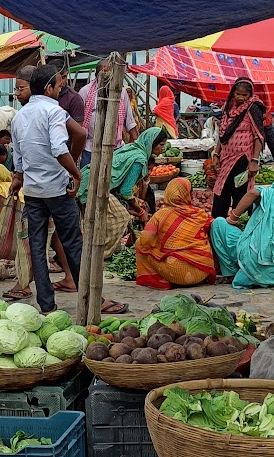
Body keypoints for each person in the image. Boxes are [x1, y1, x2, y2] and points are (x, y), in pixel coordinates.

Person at [9, 62, 86, 314]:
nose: (60, 89)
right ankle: (87, 297)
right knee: (73, 242)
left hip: (33, 191)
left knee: (38, 246)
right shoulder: (54, 112)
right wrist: (74, 171)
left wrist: (19, 178)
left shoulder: (19, 116)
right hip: (57, 189)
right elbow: (60, 146)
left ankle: (46, 303)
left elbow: (18, 156)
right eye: (59, 85)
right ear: (50, 88)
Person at [135, 176, 216, 289]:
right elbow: (214, 232)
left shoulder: (161, 214)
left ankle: (159, 280)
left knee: (140, 244)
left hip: (176, 273)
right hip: (203, 270)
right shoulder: (199, 214)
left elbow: (145, 241)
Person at [210, 78, 265, 219]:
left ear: (250, 94)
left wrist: (254, 160)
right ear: (233, 93)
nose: (240, 98)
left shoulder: (253, 107)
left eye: (244, 95)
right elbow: (223, 134)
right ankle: (218, 225)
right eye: (238, 94)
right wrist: (216, 154)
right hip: (225, 158)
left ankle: (239, 227)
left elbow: (258, 135)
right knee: (221, 191)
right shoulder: (228, 107)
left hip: (243, 158)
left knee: (240, 194)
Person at [78, 126, 168, 207]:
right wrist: (140, 212)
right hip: (92, 187)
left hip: (88, 179)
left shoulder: (132, 148)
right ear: (151, 143)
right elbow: (125, 191)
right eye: (161, 145)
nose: (163, 148)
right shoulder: (139, 160)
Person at [77, 59, 138, 167]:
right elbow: (80, 124)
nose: (107, 77)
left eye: (110, 74)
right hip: (90, 148)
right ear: (96, 76)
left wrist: (137, 146)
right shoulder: (85, 92)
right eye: (103, 74)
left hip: (117, 148)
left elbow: (129, 121)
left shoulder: (121, 92)